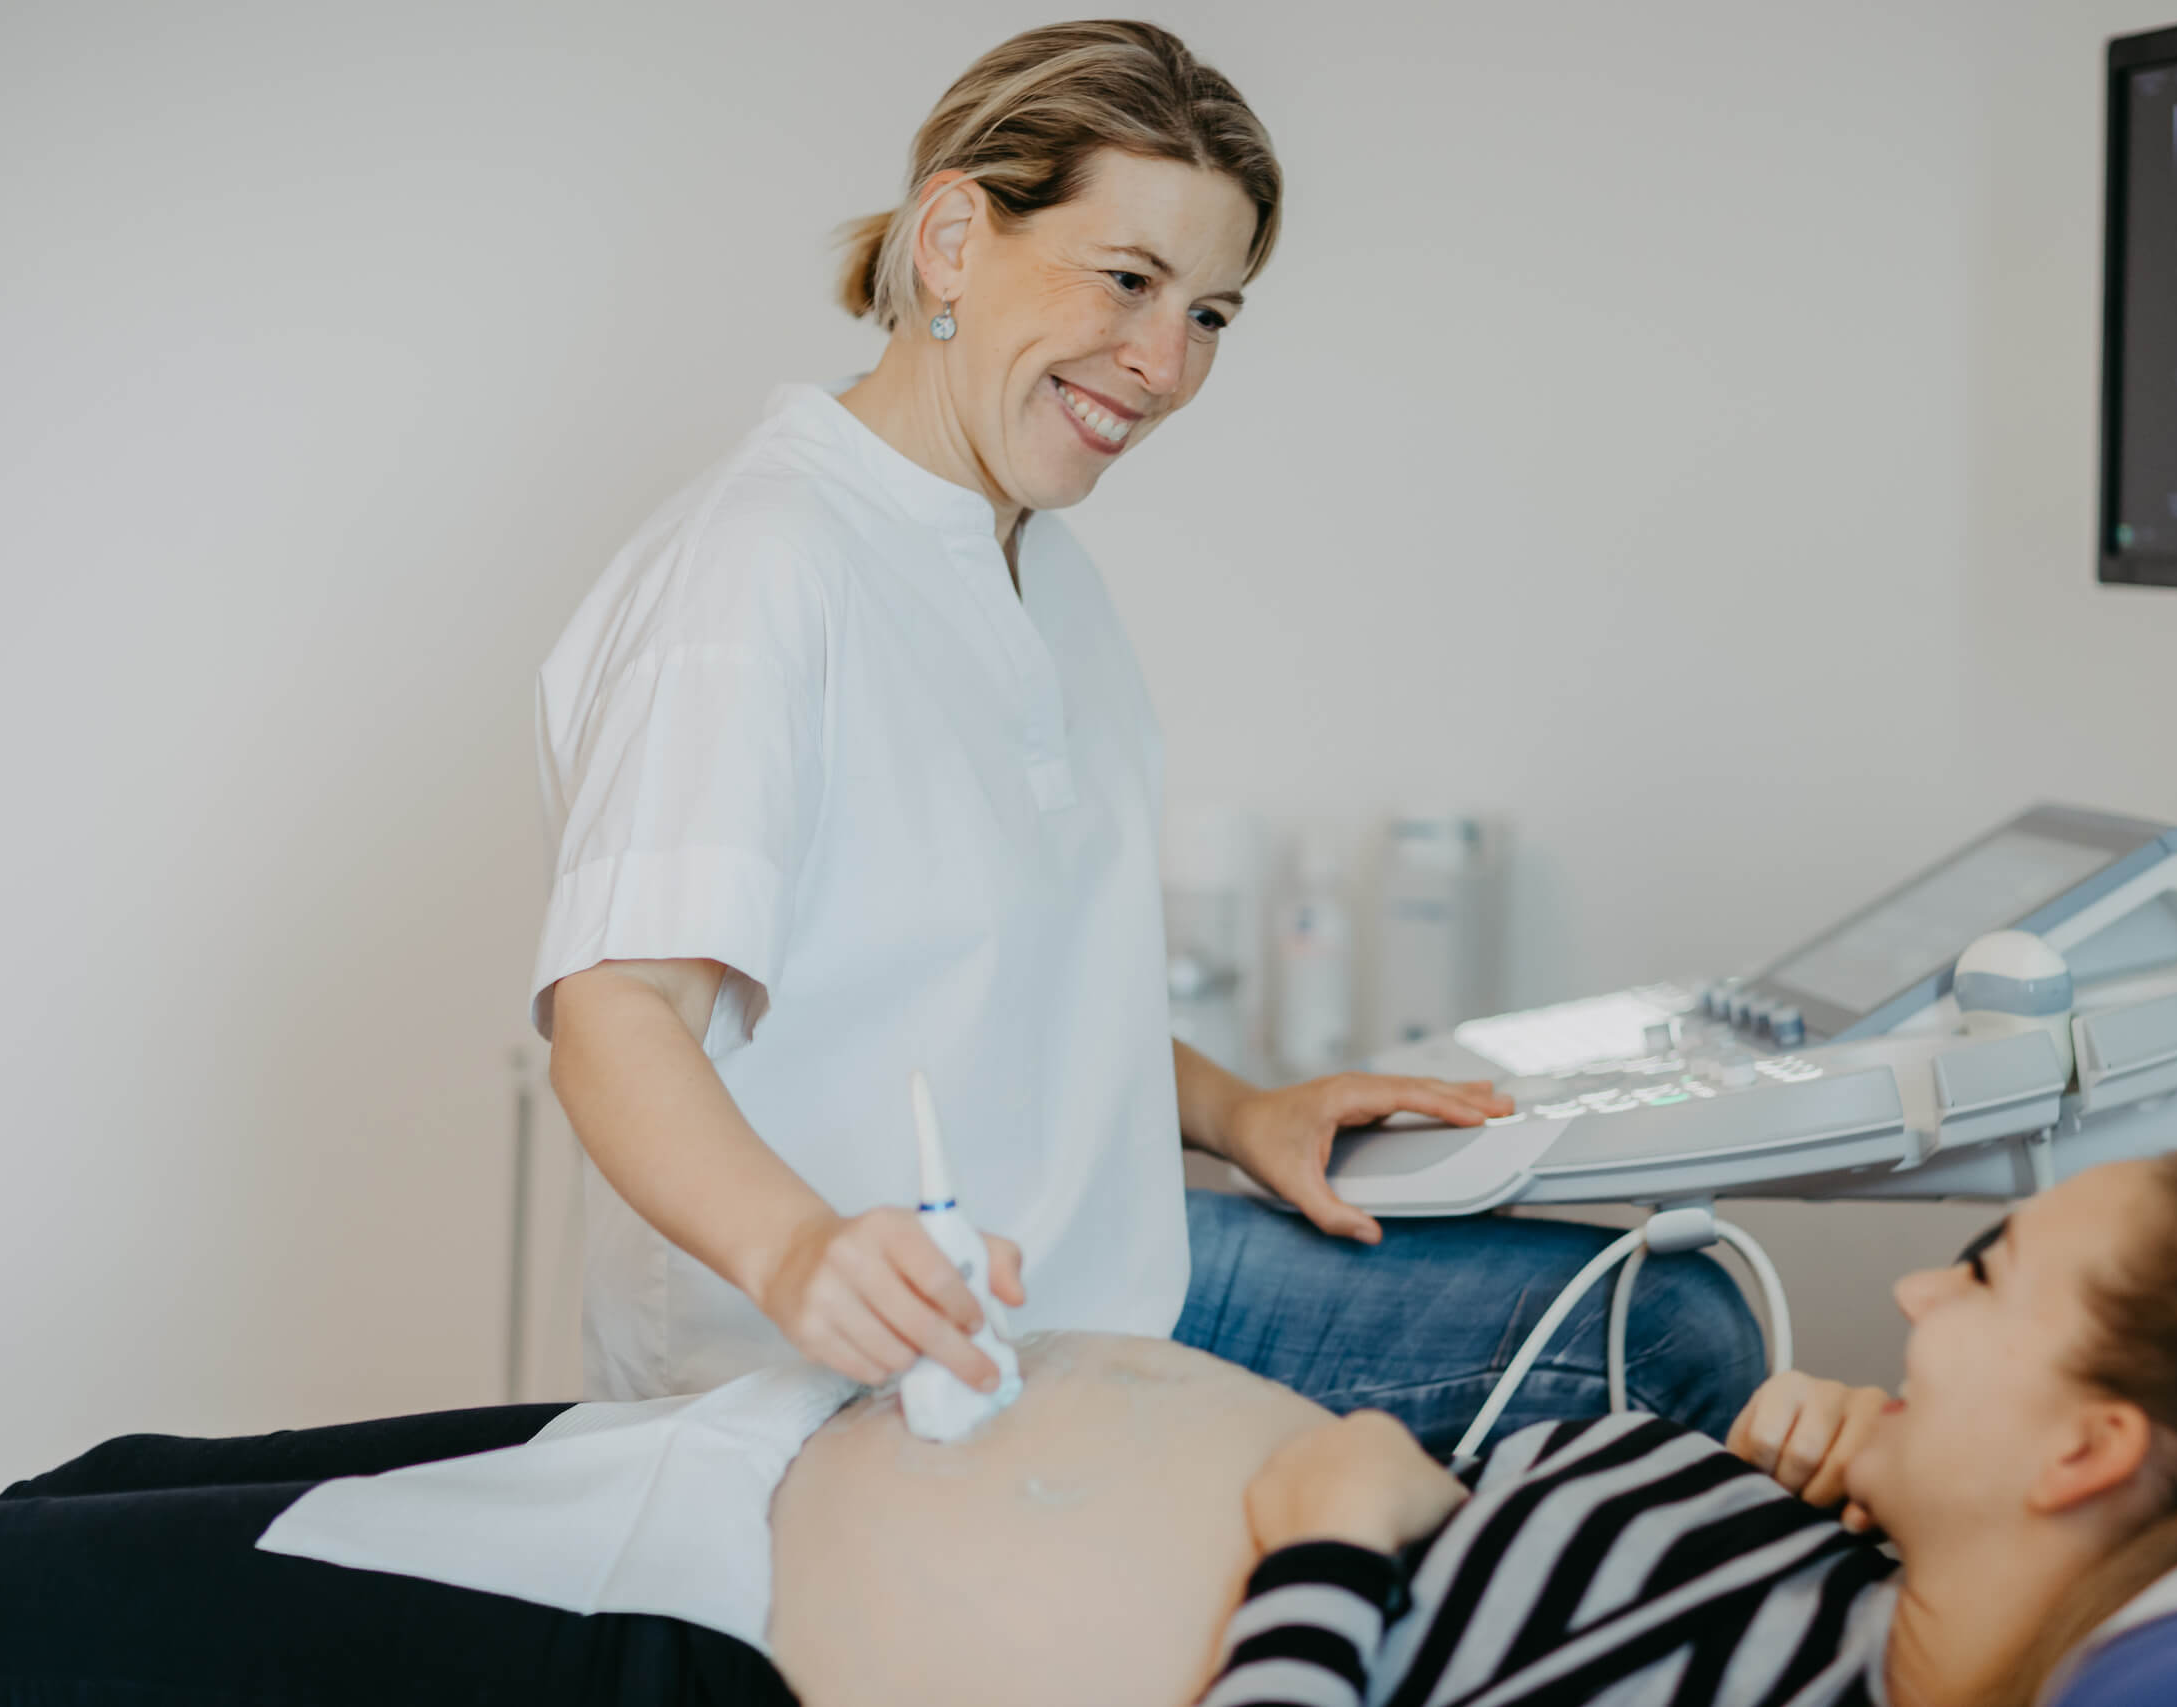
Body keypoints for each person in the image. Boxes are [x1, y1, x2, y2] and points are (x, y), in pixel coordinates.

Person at [531, 15, 1756, 1441]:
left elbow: (995, 989)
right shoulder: (759, 566)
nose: (1165, 364)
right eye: (1129, 279)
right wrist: (800, 1254)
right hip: (865, 1377)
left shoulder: (1040, 565)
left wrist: (1246, 1114)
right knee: (1665, 1349)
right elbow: (618, 1017)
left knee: (1664, 1312)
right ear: (950, 241)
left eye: (1211, 315)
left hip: (1101, 1288)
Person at [0, 1153, 2177, 1707]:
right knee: (61, 1503)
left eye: (1988, 1277)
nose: (1918, 1286)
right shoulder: (1821, 1568)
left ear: (2082, 1448)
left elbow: (1361, 1605)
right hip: (747, 1443)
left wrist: (1331, 1538)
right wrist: (1818, 1460)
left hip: (699, 1634)